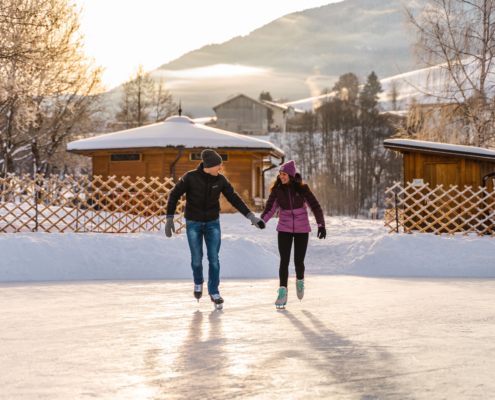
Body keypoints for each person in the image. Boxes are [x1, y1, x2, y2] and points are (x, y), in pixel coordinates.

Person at [165, 149, 266, 309]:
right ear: (210, 165)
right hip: (193, 223)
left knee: (214, 259)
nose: (220, 168)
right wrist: (169, 218)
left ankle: (214, 291)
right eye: (218, 165)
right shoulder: (190, 177)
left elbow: (234, 198)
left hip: (213, 223)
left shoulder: (221, 180)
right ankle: (198, 282)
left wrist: (251, 217)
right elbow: (174, 195)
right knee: (197, 258)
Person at [260, 160, 326, 308]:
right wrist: (262, 221)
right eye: (280, 174)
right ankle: (282, 292)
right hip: (284, 229)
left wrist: (321, 225)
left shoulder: (302, 189)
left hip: (302, 229)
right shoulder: (277, 190)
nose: (281, 177)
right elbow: (270, 208)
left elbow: (315, 206)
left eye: (284, 174)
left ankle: (300, 281)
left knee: (298, 262)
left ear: (290, 174)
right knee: (284, 261)